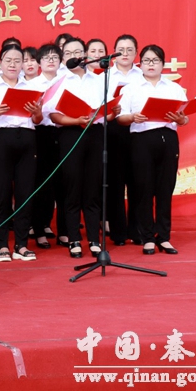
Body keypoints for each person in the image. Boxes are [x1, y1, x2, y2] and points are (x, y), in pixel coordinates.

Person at [46, 37, 114, 258]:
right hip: (71, 134)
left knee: (93, 188)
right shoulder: (59, 82)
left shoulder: (99, 80)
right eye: (68, 53)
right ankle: (74, 238)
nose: (73, 56)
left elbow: (110, 111)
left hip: (95, 134)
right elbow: (53, 115)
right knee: (72, 188)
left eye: (78, 52)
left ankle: (94, 239)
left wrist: (108, 113)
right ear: (63, 58)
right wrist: (76, 120)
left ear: (85, 55)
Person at [117, 45, 188, 255]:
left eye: (155, 60)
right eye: (147, 60)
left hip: (168, 139)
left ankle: (164, 237)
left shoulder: (174, 88)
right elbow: (121, 118)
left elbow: (184, 117)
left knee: (165, 189)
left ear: (163, 64)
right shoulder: (131, 88)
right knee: (143, 189)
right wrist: (133, 117)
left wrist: (181, 119)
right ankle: (147, 237)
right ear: (140, 64)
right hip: (141, 140)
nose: (151, 64)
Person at [0, 43, 42, 263]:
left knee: (25, 193)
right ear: (0, 63)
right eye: (9, 61)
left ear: (23, 64)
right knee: (1, 193)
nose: (13, 65)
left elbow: (38, 120)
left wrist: (37, 112)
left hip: (27, 140)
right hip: (0, 140)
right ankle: (2, 245)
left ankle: (21, 245)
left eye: (17, 61)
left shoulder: (31, 86)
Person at [25, 43, 65, 250]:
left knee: (65, 182)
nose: (51, 60)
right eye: (46, 57)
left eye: (55, 57)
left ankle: (65, 231)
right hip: (40, 134)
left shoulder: (68, 81)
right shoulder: (31, 85)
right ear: (39, 62)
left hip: (66, 132)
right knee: (41, 182)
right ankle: (39, 230)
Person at [106, 34, 144, 246]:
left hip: (138, 128)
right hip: (113, 130)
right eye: (121, 49)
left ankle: (137, 230)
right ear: (114, 52)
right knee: (115, 182)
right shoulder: (105, 75)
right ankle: (118, 232)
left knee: (138, 180)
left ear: (136, 53)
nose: (125, 53)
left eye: (130, 50)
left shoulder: (142, 75)